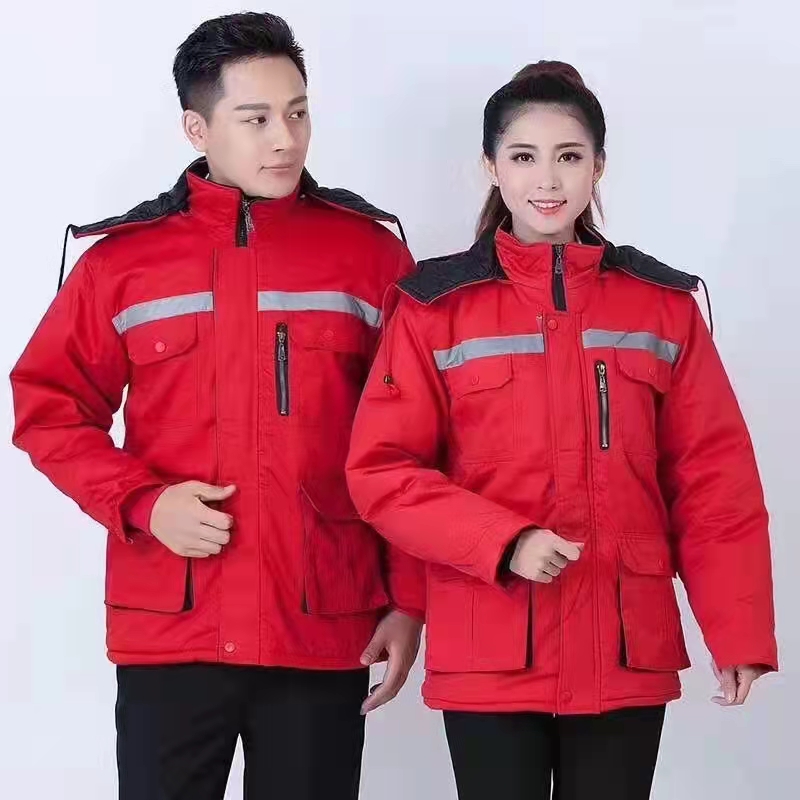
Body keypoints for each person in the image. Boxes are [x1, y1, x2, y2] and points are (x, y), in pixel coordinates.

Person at [11, 12, 424, 800]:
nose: (286, 140)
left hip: (321, 622)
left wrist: (409, 599)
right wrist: (142, 502)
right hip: (173, 626)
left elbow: (412, 440)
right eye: (256, 118)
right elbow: (49, 408)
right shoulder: (122, 265)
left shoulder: (369, 255)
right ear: (197, 129)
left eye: (298, 113)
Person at [346, 61, 778, 800]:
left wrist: (736, 631)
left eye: (569, 156)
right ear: (491, 167)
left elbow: (715, 481)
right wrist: (503, 541)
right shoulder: (434, 309)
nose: (547, 179)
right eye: (523, 156)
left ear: (598, 166)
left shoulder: (660, 307)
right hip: (490, 648)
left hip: (623, 646)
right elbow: (384, 471)